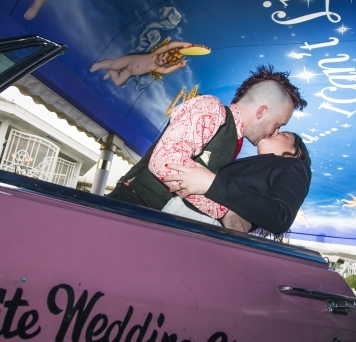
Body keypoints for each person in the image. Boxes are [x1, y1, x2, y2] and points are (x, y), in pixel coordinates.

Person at [107, 65, 308, 221]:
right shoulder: (211, 108)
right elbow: (164, 162)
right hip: (127, 210)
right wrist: (223, 210)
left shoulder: (233, 142)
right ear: (261, 112)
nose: (275, 131)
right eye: (278, 125)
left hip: (153, 222)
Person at [162, 131, 311, 234]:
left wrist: (212, 183)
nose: (274, 132)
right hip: (179, 214)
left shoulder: (296, 166)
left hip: (204, 226)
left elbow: (281, 217)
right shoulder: (254, 165)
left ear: (296, 153)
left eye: (284, 134)